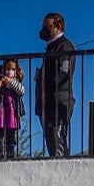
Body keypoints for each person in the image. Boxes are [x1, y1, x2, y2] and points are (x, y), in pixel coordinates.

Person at [34, 12, 76, 158]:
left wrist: (49, 86)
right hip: (48, 102)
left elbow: (65, 72)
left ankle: (63, 172)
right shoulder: (52, 48)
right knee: (52, 142)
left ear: (58, 26)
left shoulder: (64, 45)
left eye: (47, 26)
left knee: (57, 143)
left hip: (58, 102)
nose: (44, 30)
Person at [0, 59, 26, 161]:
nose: (10, 71)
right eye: (8, 69)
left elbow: (22, 91)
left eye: (12, 69)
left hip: (12, 114)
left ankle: (10, 155)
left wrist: (11, 82)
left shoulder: (16, 83)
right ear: (3, 69)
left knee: (11, 136)